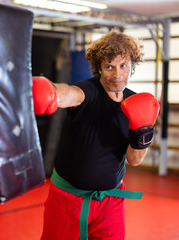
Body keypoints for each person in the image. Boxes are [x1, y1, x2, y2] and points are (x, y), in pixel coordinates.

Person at [32, 29, 159, 239]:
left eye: (123, 66)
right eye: (109, 66)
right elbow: (69, 94)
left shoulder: (136, 103)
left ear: (131, 66)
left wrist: (143, 130)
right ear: (99, 68)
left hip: (110, 201)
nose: (117, 74)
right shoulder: (88, 91)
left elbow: (134, 160)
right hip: (68, 198)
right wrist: (51, 91)